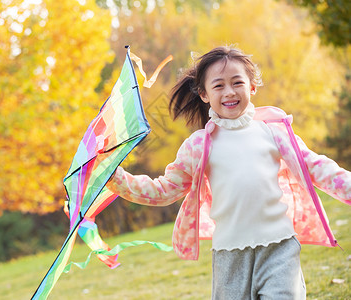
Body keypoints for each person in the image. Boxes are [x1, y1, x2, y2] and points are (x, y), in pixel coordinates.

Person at [106, 45, 350, 299]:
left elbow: (318, 168)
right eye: (219, 85)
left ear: (252, 86)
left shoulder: (274, 132)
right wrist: (117, 178)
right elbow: (163, 190)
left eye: (237, 82)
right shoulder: (199, 146)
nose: (229, 92)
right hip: (230, 254)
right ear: (204, 94)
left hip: (280, 246)